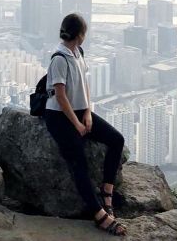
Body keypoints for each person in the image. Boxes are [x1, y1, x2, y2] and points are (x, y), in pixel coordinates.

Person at [44, 13, 127, 236]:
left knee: (116, 139)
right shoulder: (59, 59)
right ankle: (99, 215)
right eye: (85, 33)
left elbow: (84, 84)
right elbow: (60, 97)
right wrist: (77, 125)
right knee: (78, 161)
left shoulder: (78, 52)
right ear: (80, 34)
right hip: (59, 117)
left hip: (81, 111)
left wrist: (88, 113)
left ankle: (107, 191)